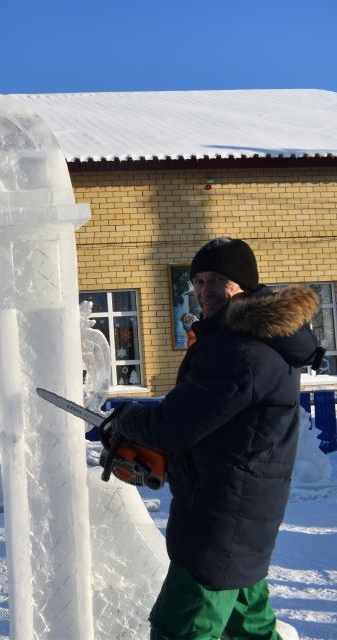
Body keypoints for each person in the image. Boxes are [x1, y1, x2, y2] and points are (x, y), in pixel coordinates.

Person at [104, 237, 323, 639]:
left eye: (218, 279)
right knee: (251, 628)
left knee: (180, 629)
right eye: (199, 281)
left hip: (218, 521)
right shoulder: (264, 342)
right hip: (241, 516)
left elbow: (176, 425)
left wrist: (128, 418)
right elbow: (206, 418)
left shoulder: (238, 351)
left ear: (244, 286)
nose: (205, 291)